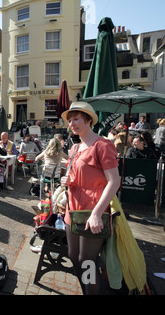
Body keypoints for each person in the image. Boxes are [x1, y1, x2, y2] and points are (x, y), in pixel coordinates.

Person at [60, 102, 120, 295]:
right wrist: (68, 180)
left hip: (92, 211)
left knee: (87, 261)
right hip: (73, 210)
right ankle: (89, 289)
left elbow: (114, 181)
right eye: (70, 121)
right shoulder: (75, 148)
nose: (72, 124)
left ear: (88, 120)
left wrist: (96, 214)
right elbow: (78, 176)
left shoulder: (103, 145)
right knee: (74, 256)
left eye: (76, 119)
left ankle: (92, 290)